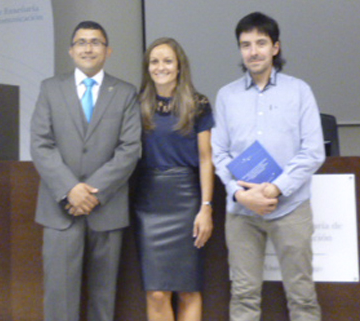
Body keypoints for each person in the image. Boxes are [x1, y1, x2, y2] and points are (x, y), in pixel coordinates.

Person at [211, 12, 325, 321]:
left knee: (301, 295)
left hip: (290, 208)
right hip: (242, 214)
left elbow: (313, 151)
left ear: (275, 47)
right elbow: (218, 153)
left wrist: (275, 187)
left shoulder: (299, 91)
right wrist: (238, 194)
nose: (253, 51)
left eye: (261, 43)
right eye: (245, 44)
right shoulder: (226, 96)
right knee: (244, 295)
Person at [30, 21, 142, 321]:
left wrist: (91, 192)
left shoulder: (126, 93)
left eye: (95, 42)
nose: (88, 48)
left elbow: (129, 149)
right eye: (81, 42)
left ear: (108, 51)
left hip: (106, 208)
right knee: (59, 297)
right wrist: (71, 189)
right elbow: (41, 144)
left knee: (103, 297)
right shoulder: (50, 89)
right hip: (60, 209)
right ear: (71, 50)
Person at [134, 37, 214, 321]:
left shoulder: (198, 103)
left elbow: (206, 158)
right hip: (149, 201)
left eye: (168, 61)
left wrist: (206, 206)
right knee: (156, 292)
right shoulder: (136, 104)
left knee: (187, 290)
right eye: (154, 61)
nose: (161, 67)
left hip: (186, 201)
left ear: (179, 66)